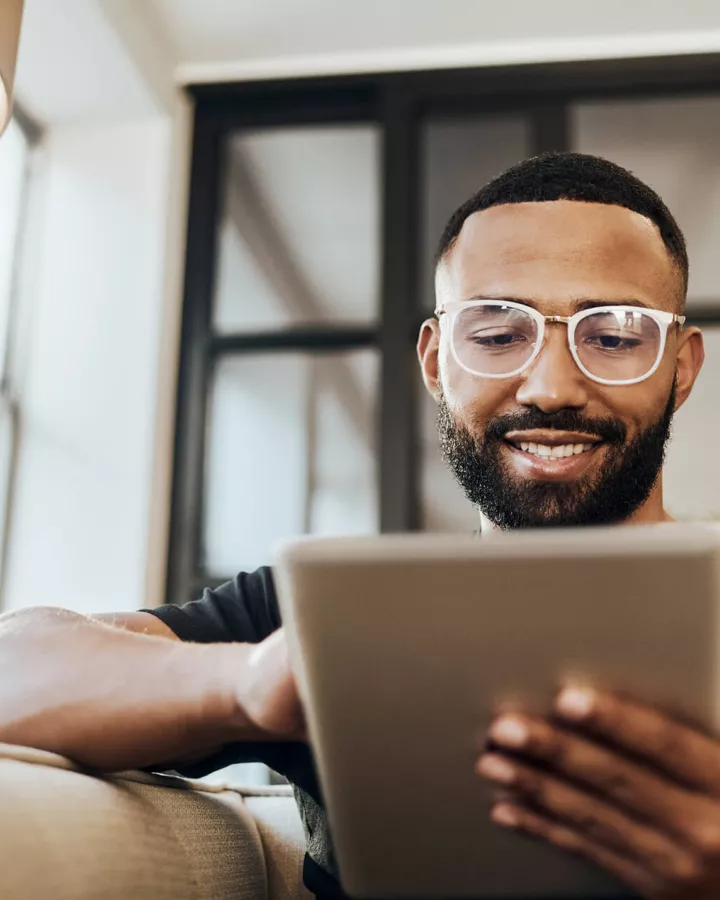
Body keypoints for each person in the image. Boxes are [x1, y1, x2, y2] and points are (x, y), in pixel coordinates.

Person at [0, 151, 715, 900]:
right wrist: (254, 683)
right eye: (498, 334)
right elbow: (17, 665)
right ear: (437, 363)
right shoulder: (331, 618)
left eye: (614, 334)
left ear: (681, 365)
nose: (551, 386)